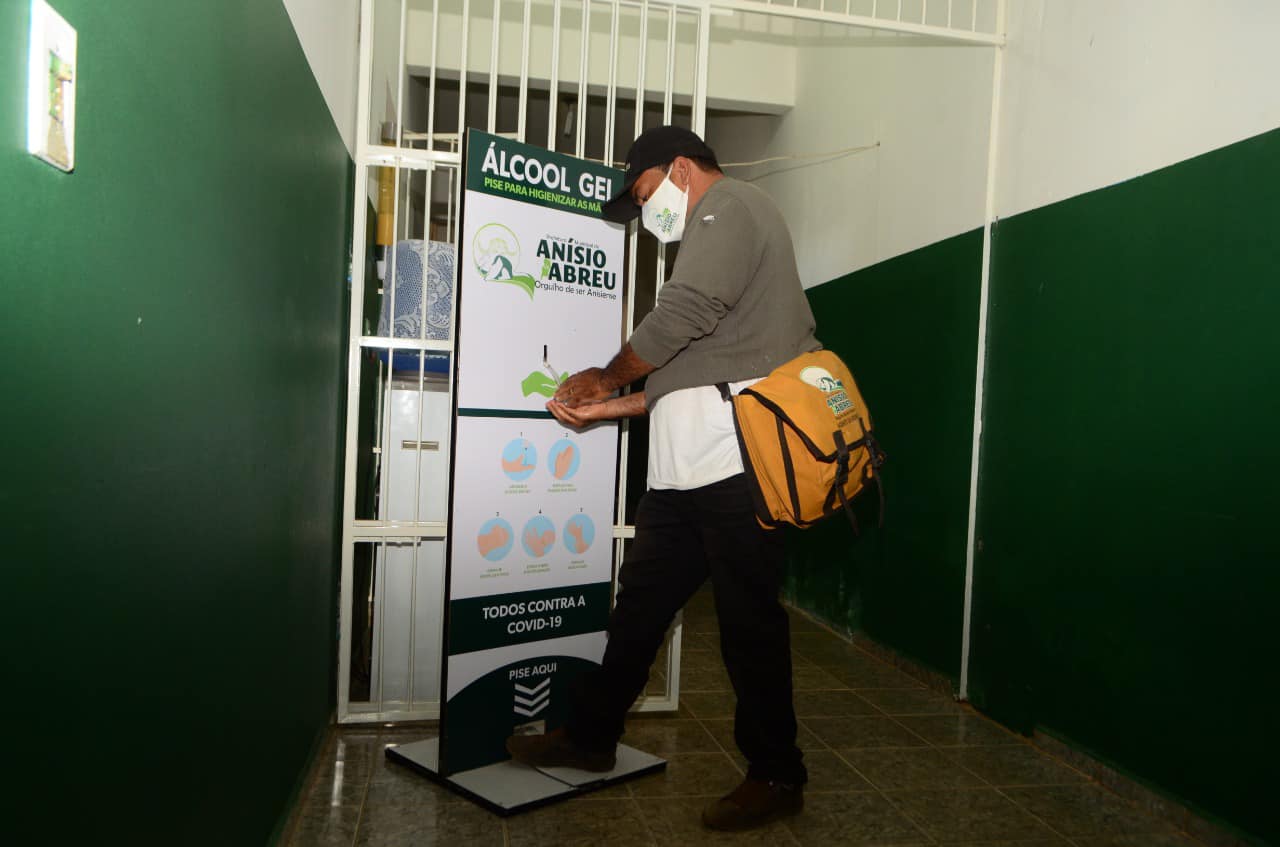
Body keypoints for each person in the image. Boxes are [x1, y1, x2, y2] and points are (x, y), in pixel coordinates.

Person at [506, 125, 821, 831]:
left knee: (749, 628)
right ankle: (592, 737)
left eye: (646, 195)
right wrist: (602, 410)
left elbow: (681, 316)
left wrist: (601, 375)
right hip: (683, 480)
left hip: (738, 471)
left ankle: (777, 773)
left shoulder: (731, 207)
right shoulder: (706, 237)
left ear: (680, 169)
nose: (648, 214)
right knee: (638, 613)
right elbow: (679, 381)